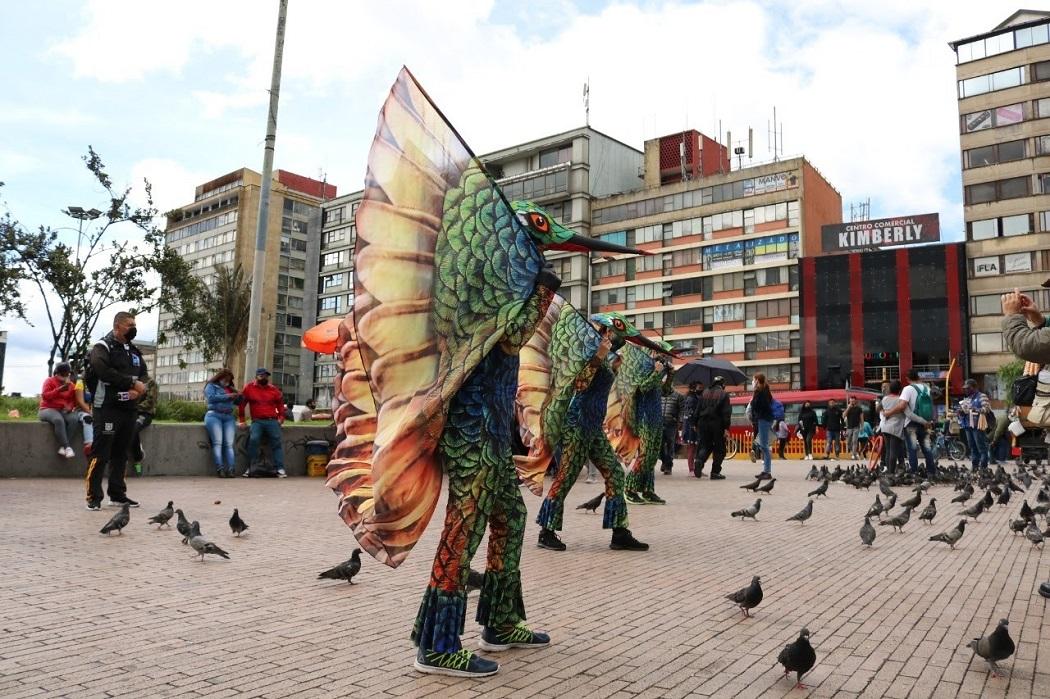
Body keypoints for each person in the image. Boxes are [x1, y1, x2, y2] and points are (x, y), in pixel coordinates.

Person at [85, 311, 147, 511]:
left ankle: (117, 495)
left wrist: (138, 391)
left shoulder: (134, 351)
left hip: (129, 410)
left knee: (121, 453)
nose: (133, 328)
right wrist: (131, 382)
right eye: (129, 324)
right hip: (107, 409)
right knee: (101, 453)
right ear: (117, 326)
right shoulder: (102, 347)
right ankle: (93, 496)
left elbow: (144, 376)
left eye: (134, 324)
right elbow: (103, 371)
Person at [238, 368, 287, 477]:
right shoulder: (249, 388)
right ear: (256, 377)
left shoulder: (273, 389)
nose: (264, 378)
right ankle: (251, 467)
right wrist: (242, 420)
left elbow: (280, 404)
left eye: (265, 376)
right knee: (253, 440)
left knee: (276, 443)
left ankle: (280, 468)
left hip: (272, 421)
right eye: (261, 376)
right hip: (257, 421)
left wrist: (281, 417)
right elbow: (242, 404)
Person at [895, 368, 937, 478]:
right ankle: (931, 472)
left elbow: (903, 406)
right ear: (918, 377)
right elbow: (931, 406)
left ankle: (914, 473)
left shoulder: (908, 389)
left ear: (907, 378)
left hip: (911, 424)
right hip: (926, 424)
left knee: (912, 449)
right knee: (927, 448)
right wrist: (928, 421)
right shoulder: (927, 388)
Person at [879, 380, 927, 474]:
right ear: (900, 390)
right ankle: (890, 474)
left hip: (885, 427)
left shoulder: (884, 399)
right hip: (895, 428)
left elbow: (880, 409)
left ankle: (889, 471)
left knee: (888, 451)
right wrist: (923, 421)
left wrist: (885, 413)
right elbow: (910, 415)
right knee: (893, 451)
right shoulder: (901, 401)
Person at [38, 362, 80, 459]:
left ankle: (63, 447)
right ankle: (67, 447)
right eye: (62, 374)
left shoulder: (71, 385)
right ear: (57, 373)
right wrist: (59, 390)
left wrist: (70, 406)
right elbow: (45, 396)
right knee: (58, 420)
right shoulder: (49, 381)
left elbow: (72, 400)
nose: (64, 377)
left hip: (63, 410)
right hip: (47, 408)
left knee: (74, 419)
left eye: (66, 374)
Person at [692, 375, 731, 479]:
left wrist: (695, 424)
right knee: (720, 449)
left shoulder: (704, 392)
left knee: (704, 445)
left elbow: (697, 409)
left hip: (702, 423)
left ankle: (699, 461)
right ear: (723, 385)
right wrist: (726, 428)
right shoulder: (723, 394)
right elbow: (726, 413)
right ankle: (715, 472)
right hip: (717, 424)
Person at [204, 369, 240, 477]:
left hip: (228, 416)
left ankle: (231, 469)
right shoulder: (211, 386)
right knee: (218, 443)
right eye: (226, 379)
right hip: (214, 415)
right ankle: (220, 469)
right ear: (220, 377)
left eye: (229, 380)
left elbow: (238, 403)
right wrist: (227, 396)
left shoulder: (230, 388)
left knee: (229, 444)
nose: (227, 381)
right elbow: (211, 398)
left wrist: (239, 396)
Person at [958, 378, 991, 470]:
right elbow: (965, 411)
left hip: (978, 426)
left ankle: (983, 468)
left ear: (975, 387)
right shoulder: (967, 399)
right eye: (965, 388)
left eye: (968, 388)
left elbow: (986, 409)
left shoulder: (982, 396)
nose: (966, 390)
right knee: (972, 447)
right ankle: (975, 467)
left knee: (981, 447)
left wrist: (975, 409)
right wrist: (962, 412)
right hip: (968, 426)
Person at [129, 376, 157, 475]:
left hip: (145, 413)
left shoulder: (150, 382)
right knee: (126, 427)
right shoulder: (129, 380)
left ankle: (138, 457)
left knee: (134, 426)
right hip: (130, 413)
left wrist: (135, 407)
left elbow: (150, 402)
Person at [750, 373, 774, 478]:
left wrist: (754, 394)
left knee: (764, 446)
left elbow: (756, 405)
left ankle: (767, 472)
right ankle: (765, 471)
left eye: (753, 380)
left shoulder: (761, 392)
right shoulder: (764, 390)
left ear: (757, 381)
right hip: (764, 419)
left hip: (764, 419)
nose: (753, 382)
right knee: (763, 445)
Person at [658, 373, 683, 475]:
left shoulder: (678, 396)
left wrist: (680, 421)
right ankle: (664, 460)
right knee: (659, 446)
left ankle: (668, 465)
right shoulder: (657, 394)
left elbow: (682, 410)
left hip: (671, 424)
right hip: (658, 423)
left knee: (670, 445)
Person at [679, 382, 703, 475]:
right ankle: (691, 469)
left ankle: (697, 469)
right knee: (691, 448)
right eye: (699, 387)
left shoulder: (697, 398)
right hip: (691, 428)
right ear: (694, 388)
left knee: (697, 449)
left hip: (696, 426)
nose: (701, 389)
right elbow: (689, 414)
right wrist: (693, 425)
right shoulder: (690, 399)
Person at [74, 372, 94, 456]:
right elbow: (80, 401)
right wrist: (91, 413)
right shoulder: (80, 382)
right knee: (88, 419)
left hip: (95, 410)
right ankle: (89, 444)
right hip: (81, 411)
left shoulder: (97, 382)